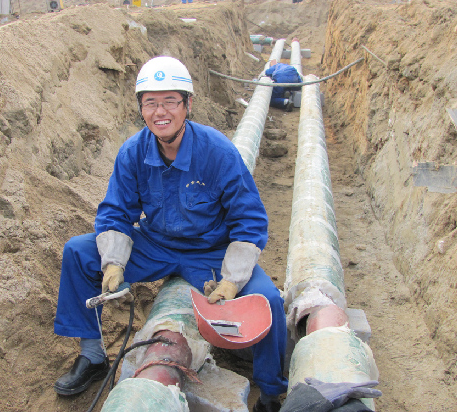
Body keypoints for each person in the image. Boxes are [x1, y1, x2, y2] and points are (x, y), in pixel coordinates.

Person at [52, 55, 288, 412]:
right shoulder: (133, 152)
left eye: (170, 101)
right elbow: (116, 212)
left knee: (267, 300)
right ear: (141, 109)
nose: (160, 112)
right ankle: (92, 355)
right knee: (77, 251)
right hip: (156, 246)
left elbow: (250, 220)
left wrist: (232, 280)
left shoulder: (217, 152)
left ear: (188, 105)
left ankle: (270, 393)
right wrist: (114, 261)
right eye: (150, 103)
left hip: (210, 250)